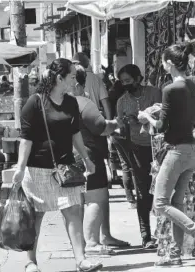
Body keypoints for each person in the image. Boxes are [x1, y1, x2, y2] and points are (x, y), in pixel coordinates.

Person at [12, 58, 103, 272]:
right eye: (71, 76)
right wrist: (20, 167)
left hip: (65, 169)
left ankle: (81, 260)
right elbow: (26, 139)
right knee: (36, 215)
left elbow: (75, 134)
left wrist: (87, 159)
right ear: (59, 78)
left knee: (73, 211)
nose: (75, 80)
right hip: (37, 169)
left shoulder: (72, 102)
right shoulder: (35, 102)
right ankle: (30, 261)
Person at [139, 42, 195, 267]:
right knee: (177, 202)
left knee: (161, 204)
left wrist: (147, 117)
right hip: (191, 151)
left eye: (164, 62)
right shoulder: (192, 86)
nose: (163, 65)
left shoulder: (170, 90)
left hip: (176, 151)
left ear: (170, 64)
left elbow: (161, 127)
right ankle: (175, 254)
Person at [71, 65, 130, 256]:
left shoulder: (57, 102)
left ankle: (99, 237)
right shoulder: (82, 102)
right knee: (96, 198)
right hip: (89, 155)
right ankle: (92, 242)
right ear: (80, 83)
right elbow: (101, 127)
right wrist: (116, 123)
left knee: (79, 201)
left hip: (69, 156)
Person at [116, 64, 162, 250]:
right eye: (122, 82)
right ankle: (146, 236)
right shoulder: (122, 102)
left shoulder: (155, 93)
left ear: (138, 78)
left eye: (128, 81)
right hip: (137, 150)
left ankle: (165, 233)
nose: (125, 84)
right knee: (142, 192)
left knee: (162, 191)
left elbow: (164, 116)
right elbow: (121, 131)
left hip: (159, 148)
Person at [108, 76, 136, 208]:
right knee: (133, 165)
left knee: (125, 165)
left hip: (115, 134)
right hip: (125, 133)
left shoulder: (112, 98)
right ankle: (137, 197)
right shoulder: (125, 100)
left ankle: (130, 199)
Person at [72, 52, 112, 120]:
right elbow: (105, 102)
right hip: (95, 119)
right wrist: (108, 121)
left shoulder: (71, 78)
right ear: (87, 63)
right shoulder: (97, 79)